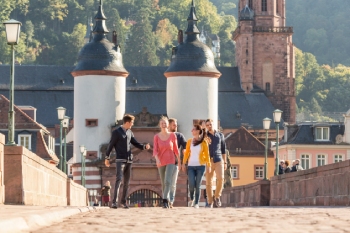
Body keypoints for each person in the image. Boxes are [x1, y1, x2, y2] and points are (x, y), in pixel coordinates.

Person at [105, 114, 151, 209]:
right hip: (120, 159)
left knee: (127, 182)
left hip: (129, 160)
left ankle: (123, 202)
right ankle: (114, 202)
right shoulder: (116, 132)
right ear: (127, 122)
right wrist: (107, 158)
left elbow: (135, 143)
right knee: (119, 179)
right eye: (132, 123)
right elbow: (111, 145)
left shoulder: (130, 132)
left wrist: (144, 147)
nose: (132, 124)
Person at [153, 117, 180, 208]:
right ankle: (167, 200)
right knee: (163, 182)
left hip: (171, 160)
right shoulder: (156, 137)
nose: (164, 125)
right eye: (162, 123)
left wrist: (179, 161)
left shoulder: (172, 135)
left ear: (168, 125)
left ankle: (164, 200)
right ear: (159, 125)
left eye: (165, 123)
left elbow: (176, 149)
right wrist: (157, 159)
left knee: (168, 181)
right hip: (161, 161)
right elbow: (155, 150)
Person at [182, 125, 211, 208]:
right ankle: (192, 199)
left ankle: (196, 203)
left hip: (201, 166)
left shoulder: (204, 142)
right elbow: (187, 153)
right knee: (191, 184)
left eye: (193, 129)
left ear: (198, 131)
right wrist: (184, 163)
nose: (192, 131)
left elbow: (207, 154)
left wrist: (208, 165)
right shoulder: (189, 141)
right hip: (191, 166)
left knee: (198, 185)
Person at [205, 119, 226, 208]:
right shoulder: (205, 136)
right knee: (208, 182)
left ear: (214, 124)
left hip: (218, 159)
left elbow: (224, 149)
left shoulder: (220, 135)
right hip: (209, 161)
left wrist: (225, 162)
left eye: (210, 124)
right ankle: (210, 202)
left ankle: (217, 196)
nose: (209, 126)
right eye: (208, 125)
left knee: (221, 178)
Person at [168, 118, 186, 208]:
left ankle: (170, 201)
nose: (176, 126)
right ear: (169, 125)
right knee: (166, 182)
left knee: (173, 184)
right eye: (174, 125)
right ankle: (166, 200)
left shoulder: (179, 135)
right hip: (165, 162)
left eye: (176, 125)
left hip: (175, 162)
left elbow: (185, 144)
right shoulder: (165, 135)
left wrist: (185, 150)